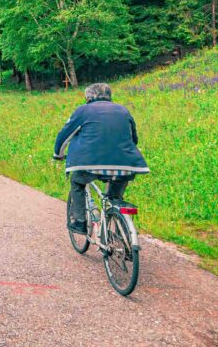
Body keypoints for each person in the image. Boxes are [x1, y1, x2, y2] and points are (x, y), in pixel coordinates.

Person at [53, 83, 148, 234]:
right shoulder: (123, 110)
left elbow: (64, 135)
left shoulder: (83, 111)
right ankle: (124, 232)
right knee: (114, 198)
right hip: (126, 164)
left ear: (88, 97)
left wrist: (58, 154)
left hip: (91, 164)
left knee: (77, 182)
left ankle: (80, 222)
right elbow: (133, 138)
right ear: (109, 96)